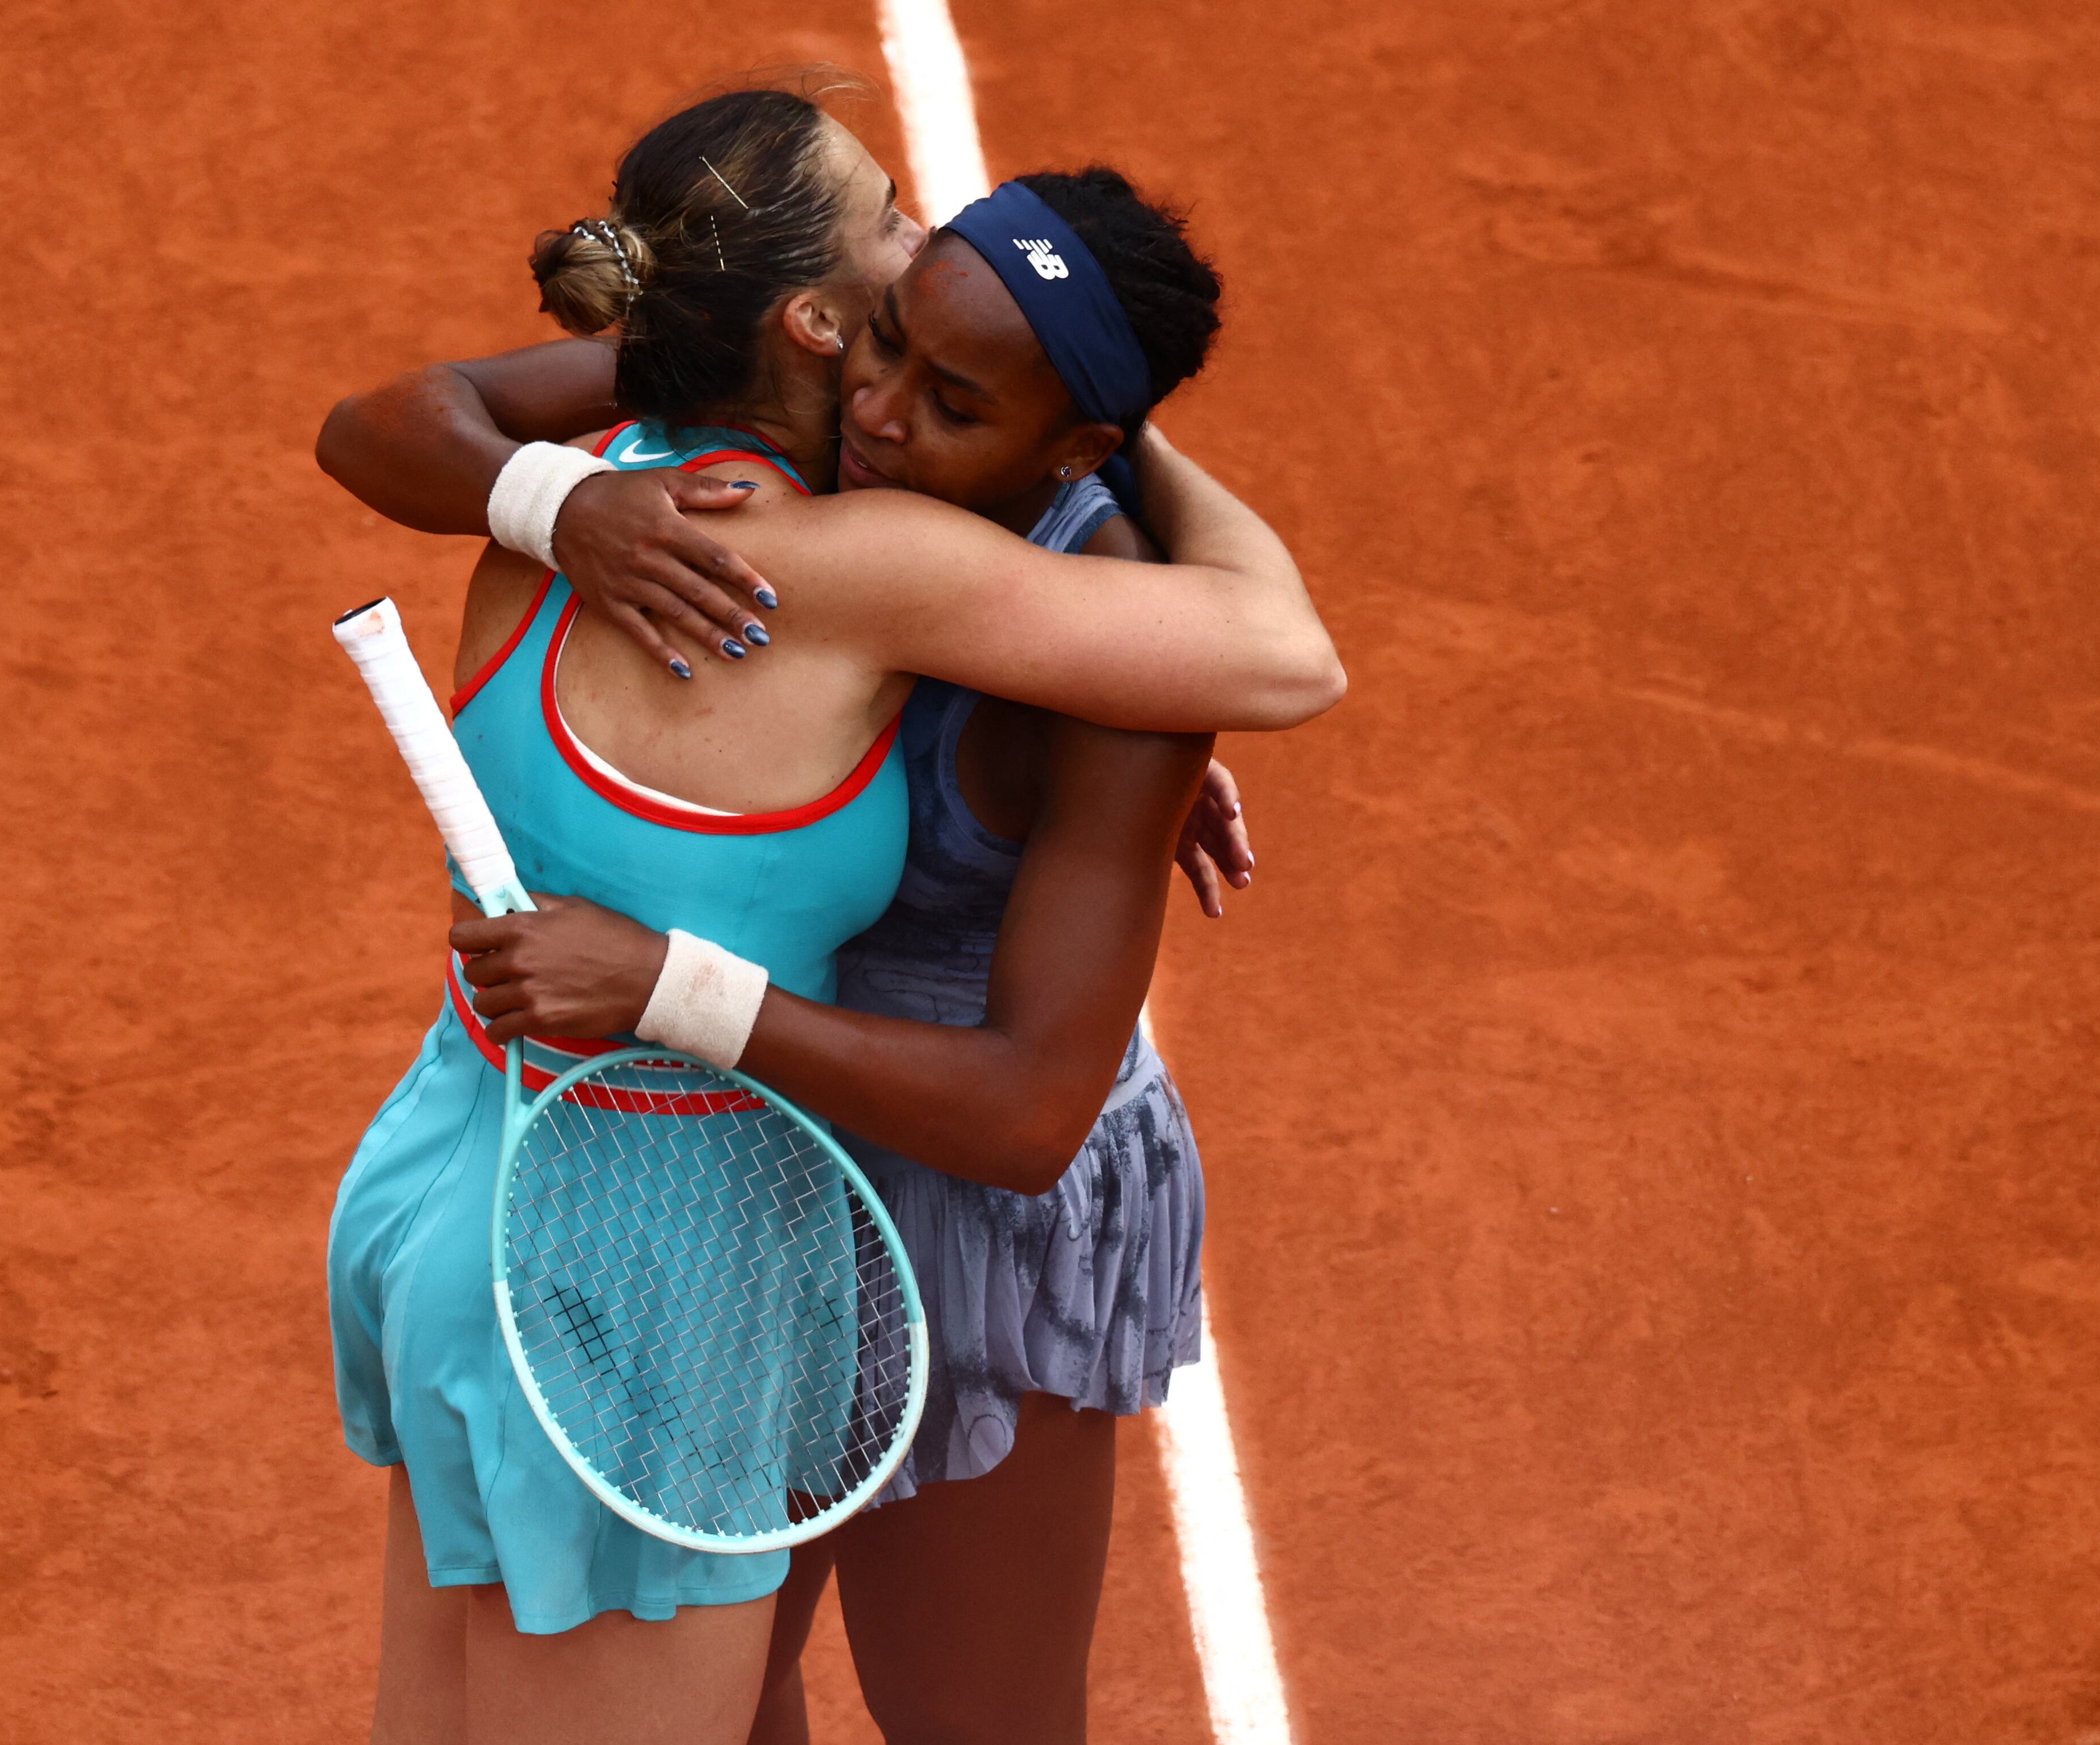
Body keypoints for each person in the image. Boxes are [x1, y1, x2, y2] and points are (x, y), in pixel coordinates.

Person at [320, 87, 1340, 1745]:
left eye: (953, 393)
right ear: (817, 317)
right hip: (709, 1214)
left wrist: (1121, 723)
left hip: (746, 1200)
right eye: (892, 274)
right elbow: (1282, 652)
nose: (882, 396)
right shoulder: (815, 538)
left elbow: (393, 425)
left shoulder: (663, 476)